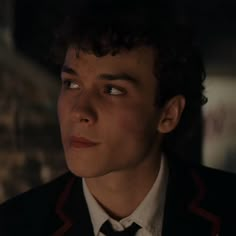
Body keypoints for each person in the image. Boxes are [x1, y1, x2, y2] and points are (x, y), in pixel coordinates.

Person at [0, 0, 235, 235]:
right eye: (71, 84)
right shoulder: (16, 225)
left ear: (168, 114)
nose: (79, 111)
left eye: (112, 90)